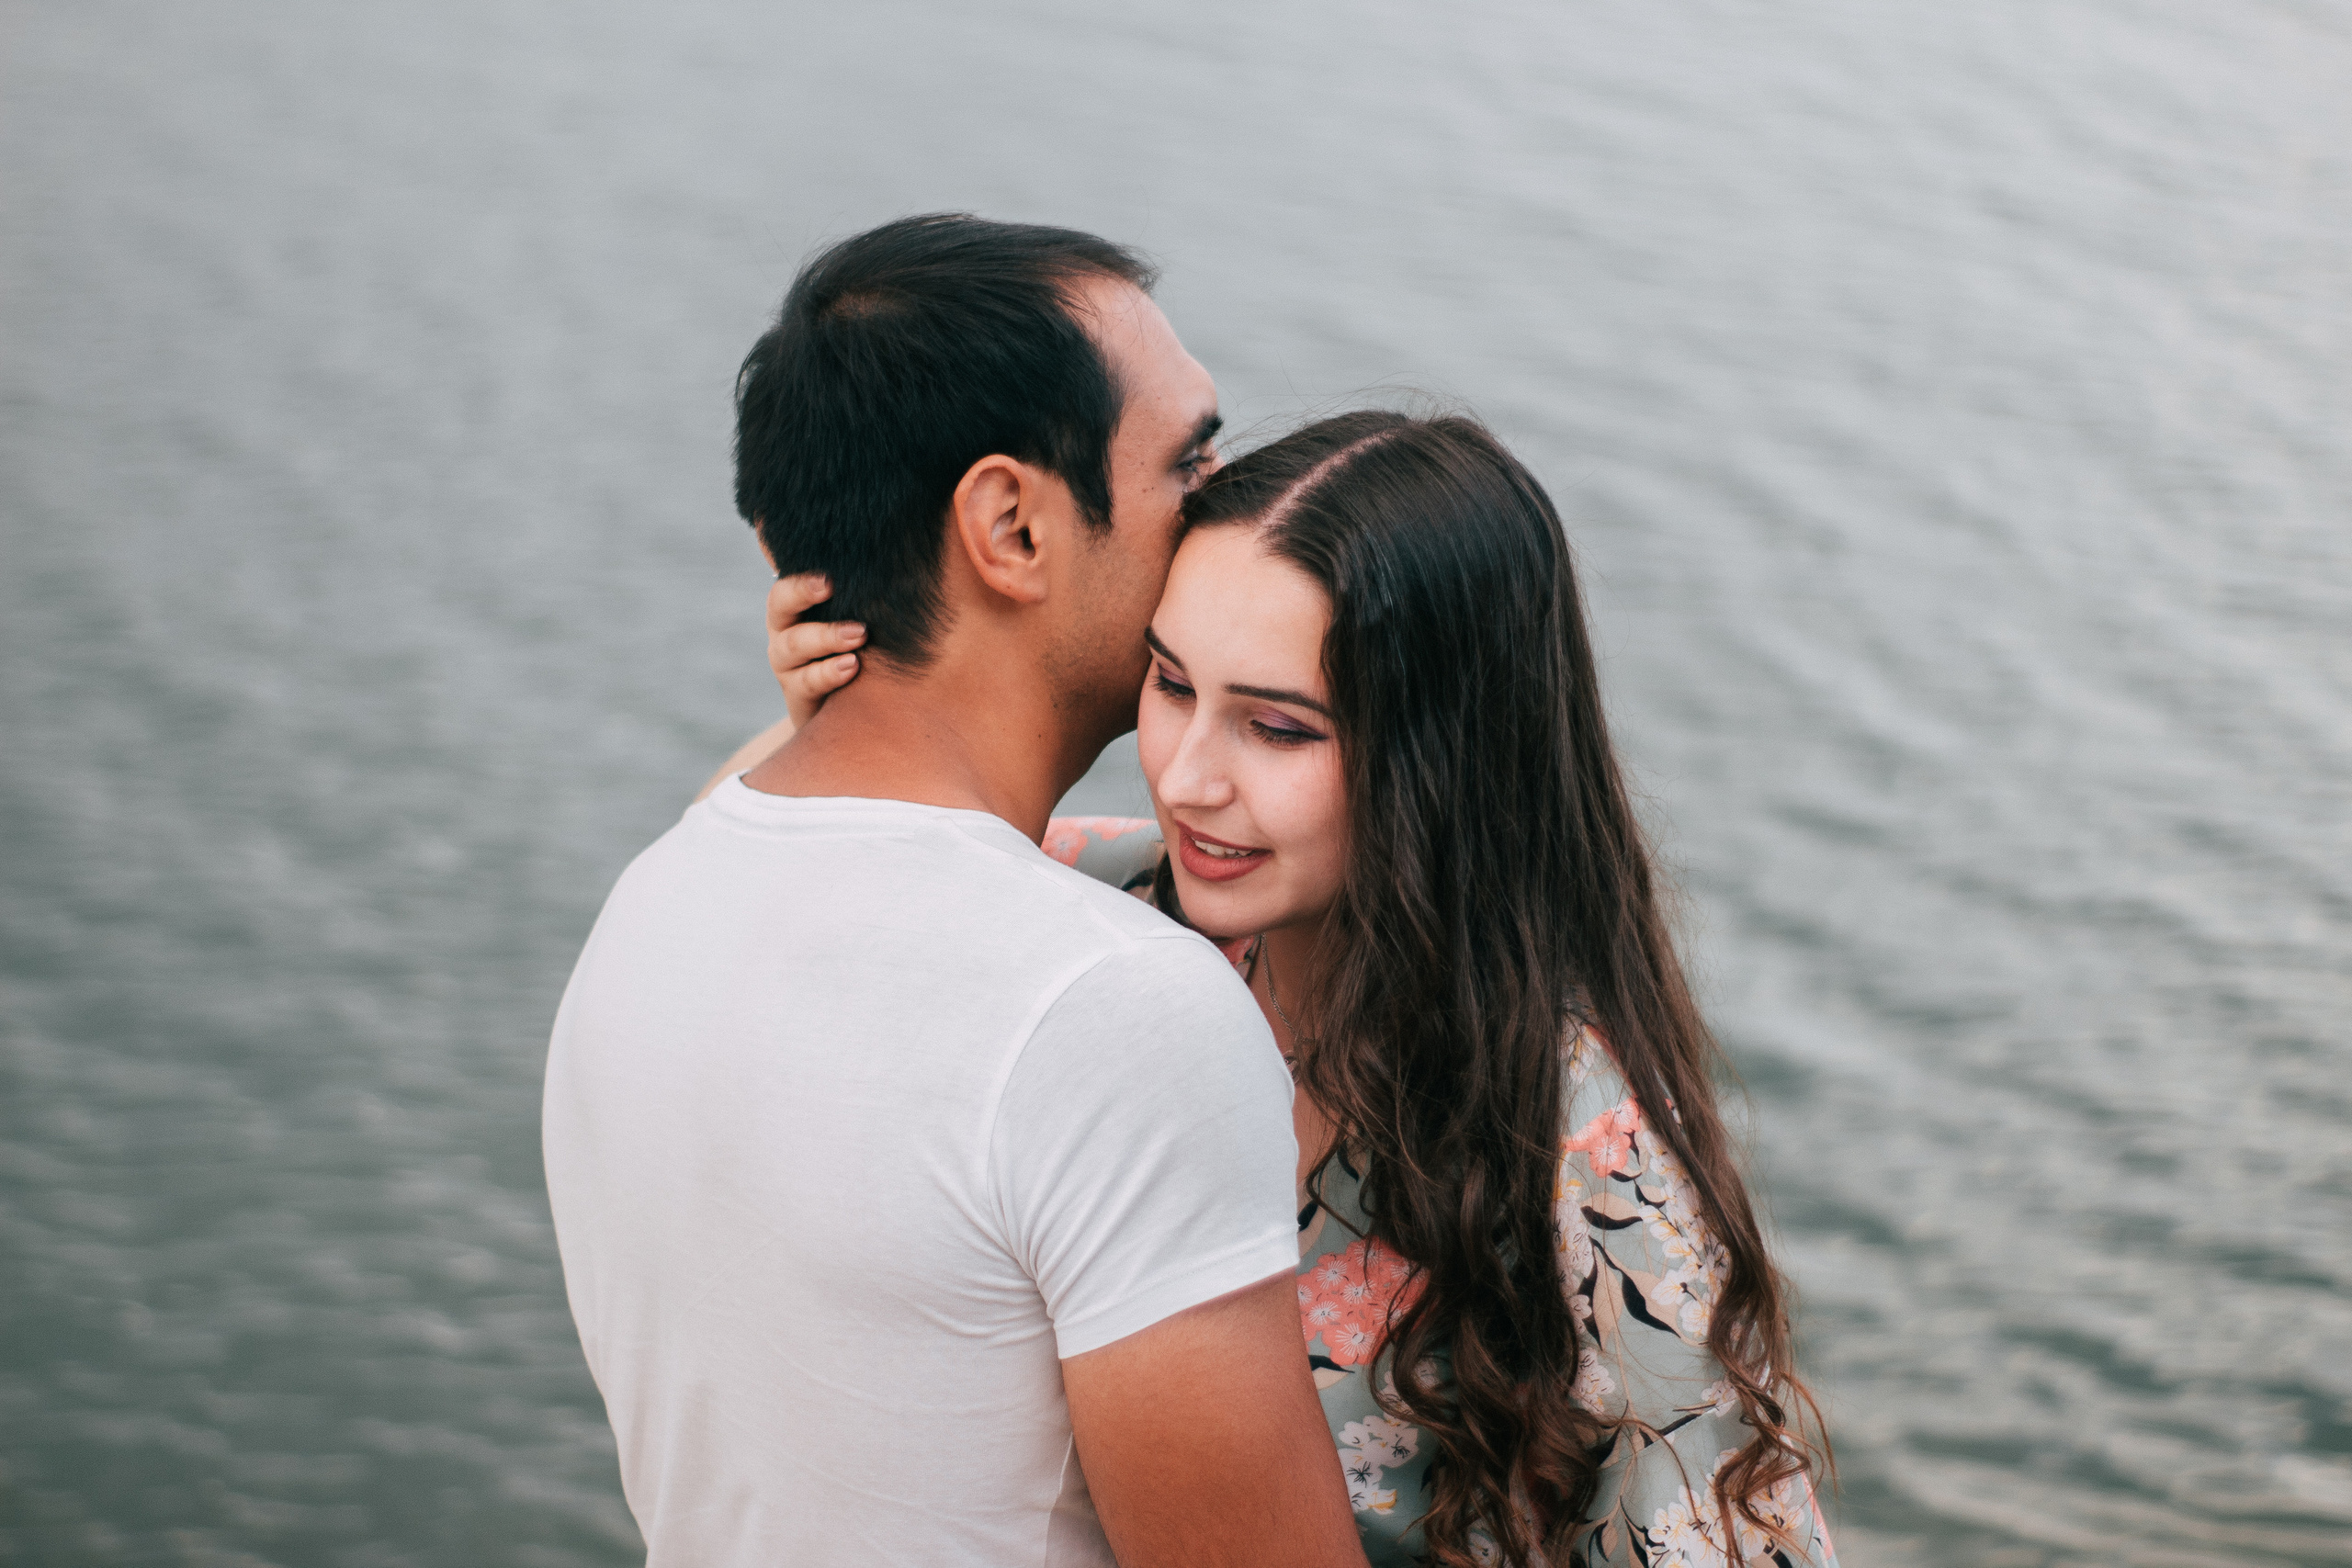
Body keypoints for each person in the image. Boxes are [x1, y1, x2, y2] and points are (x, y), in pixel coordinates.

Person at [752, 411, 1840, 1566]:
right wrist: (843, 716)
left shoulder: (1588, 1148)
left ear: (1440, 759)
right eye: (1170, 685)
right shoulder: (1100, 905)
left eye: (1277, 728)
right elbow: (785, 899)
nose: (1186, 776)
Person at [544, 214, 1368, 1568]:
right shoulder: (1112, 1008)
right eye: (1190, 463)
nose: (1226, 512)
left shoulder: (651, 905)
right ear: (1011, 525)